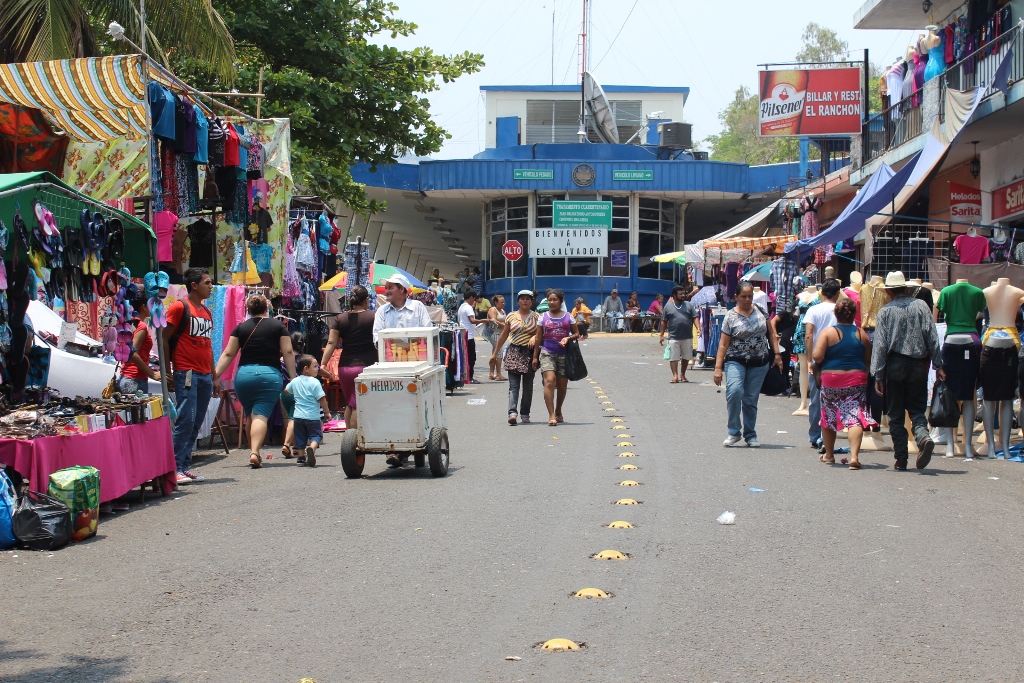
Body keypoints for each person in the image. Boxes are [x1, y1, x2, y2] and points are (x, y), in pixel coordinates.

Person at [870, 271, 944, 471]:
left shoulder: (885, 311)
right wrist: (938, 364)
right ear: (905, 288)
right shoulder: (921, 306)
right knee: (917, 409)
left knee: (895, 414)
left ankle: (901, 458)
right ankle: (923, 437)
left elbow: (880, 346)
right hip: (919, 364)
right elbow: (932, 337)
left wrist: (878, 375)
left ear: (889, 291)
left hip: (895, 364)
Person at [215, 294, 296, 469]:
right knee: (261, 415)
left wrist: (215, 375)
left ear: (248, 310)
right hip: (269, 375)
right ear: (267, 308)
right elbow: (288, 352)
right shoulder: (278, 326)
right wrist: (293, 377)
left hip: (244, 375)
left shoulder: (240, 328)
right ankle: (254, 452)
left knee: (250, 414)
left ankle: (255, 452)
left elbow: (228, 354)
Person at [164, 267, 219, 485]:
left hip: (205, 374)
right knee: (185, 419)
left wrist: (215, 376)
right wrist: (168, 370)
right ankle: (175, 467)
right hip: (186, 371)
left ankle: (184, 466)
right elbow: (164, 338)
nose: (211, 286)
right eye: (207, 282)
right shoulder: (179, 307)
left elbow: (208, 346)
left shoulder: (207, 312)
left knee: (196, 422)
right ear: (194, 285)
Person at [714, 281, 783, 448]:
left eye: (750, 296)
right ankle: (734, 432)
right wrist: (718, 368)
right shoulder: (730, 316)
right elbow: (723, 344)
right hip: (735, 360)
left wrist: (777, 355)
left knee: (751, 399)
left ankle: (750, 434)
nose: (747, 299)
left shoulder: (760, 310)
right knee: (735, 392)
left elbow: (771, 334)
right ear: (736, 297)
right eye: (743, 296)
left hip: (759, 362)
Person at [811, 298, 875, 469]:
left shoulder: (828, 333)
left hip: (832, 379)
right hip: (856, 379)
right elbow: (868, 358)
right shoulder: (861, 334)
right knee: (855, 417)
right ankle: (854, 457)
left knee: (828, 415)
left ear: (836, 314)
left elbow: (817, 356)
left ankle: (829, 455)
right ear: (853, 314)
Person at [320, 285, 377, 432]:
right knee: (359, 404)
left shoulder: (340, 318)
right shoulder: (373, 317)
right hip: (366, 366)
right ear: (366, 300)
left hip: (345, 367)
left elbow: (331, 343)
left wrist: (323, 363)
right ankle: (355, 439)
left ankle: (349, 438)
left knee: (350, 404)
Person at [804, 279, 841, 452]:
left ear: (822, 293)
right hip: (837, 359)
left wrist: (809, 360)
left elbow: (809, 335)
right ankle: (828, 435)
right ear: (837, 293)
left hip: (818, 359)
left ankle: (815, 436)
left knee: (816, 399)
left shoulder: (813, 310)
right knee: (834, 399)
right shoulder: (841, 310)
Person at [533, 289, 580, 426]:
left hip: (564, 354)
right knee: (549, 381)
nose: (552, 302)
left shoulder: (568, 316)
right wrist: (535, 357)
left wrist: (568, 338)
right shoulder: (542, 317)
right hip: (547, 352)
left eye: (555, 300)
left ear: (561, 301)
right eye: (550, 300)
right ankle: (551, 415)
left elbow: (576, 333)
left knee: (562, 385)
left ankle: (558, 410)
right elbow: (538, 338)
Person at [492, 290, 540, 425]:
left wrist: (535, 339)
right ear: (518, 301)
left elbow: (541, 336)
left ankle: (525, 413)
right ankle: (512, 413)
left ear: (531, 301)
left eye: (528, 299)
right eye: (522, 298)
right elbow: (504, 335)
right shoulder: (511, 316)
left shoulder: (537, 317)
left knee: (528, 386)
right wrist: (494, 354)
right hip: (513, 352)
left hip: (530, 353)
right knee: (514, 385)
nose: (525, 301)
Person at [284, 355, 330, 467]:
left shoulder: (295, 381)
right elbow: (321, 398)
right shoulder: (315, 382)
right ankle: (312, 448)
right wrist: (327, 412)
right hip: (312, 417)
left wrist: (293, 391)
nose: (317, 369)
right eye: (315, 366)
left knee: (300, 437)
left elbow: (286, 391)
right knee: (316, 436)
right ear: (306, 368)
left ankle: (300, 458)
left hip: (298, 417)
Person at [117, 298, 160, 395]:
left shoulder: (129, 324)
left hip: (126, 376)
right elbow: (133, 353)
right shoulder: (141, 326)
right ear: (144, 307)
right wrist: (152, 373)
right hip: (135, 379)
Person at [373, 273, 432, 343]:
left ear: (401, 289)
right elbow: (377, 336)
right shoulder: (382, 311)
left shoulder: (418, 307)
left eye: (390, 288)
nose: (386, 292)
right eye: (386, 288)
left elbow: (429, 332)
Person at [660, 285, 695, 383]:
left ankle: (683, 375)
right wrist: (661, 335)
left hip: (687, 336)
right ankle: (675, 376)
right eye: (680, 294)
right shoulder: (668, 306)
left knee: (686, 356)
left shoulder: (689, 305)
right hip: (673, 336)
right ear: (674, 295)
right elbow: (664, 321)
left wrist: (699, 328)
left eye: (684, 293)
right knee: (673, 357)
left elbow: (695, 317)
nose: (683, 295)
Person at [280, 332, 304, 459]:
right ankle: (286, 444)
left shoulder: (281, 359)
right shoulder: (305, 360)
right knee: (293, 419)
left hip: (284, 393)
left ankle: (296, 447)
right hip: (298, 393)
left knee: (292, 418)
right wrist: (329, 375)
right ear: (303, 344)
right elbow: (318, 370)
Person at [458, 290, 488, 384]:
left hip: (464, 334)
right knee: (471, 358)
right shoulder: (468, 307)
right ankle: (470, 377)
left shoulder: (461, 307)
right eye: (474, 299)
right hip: (469, 336)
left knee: (466, 357)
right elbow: (472, 320)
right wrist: (484, 320)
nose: (474, 301)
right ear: (471, 297)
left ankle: (465, 376)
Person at [485, 294, 508, 381]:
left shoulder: (502, 310)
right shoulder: (493, 309)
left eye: (504, 302)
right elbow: (494, 320)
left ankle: (491, 373)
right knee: (499, 352)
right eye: (501, 302)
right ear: (495, 302)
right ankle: (498, 374)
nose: (503, 304)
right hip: (494, 333)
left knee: (495, 352)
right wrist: (505, 326)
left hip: (501, 333)